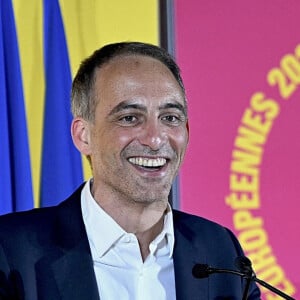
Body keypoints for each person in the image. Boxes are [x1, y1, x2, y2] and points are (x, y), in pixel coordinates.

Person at [0, 42, 261, 300]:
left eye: (170, 117)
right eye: (130, 118)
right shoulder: (12, 252)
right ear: (84, 136)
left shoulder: (221, 251)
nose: (155, 139)